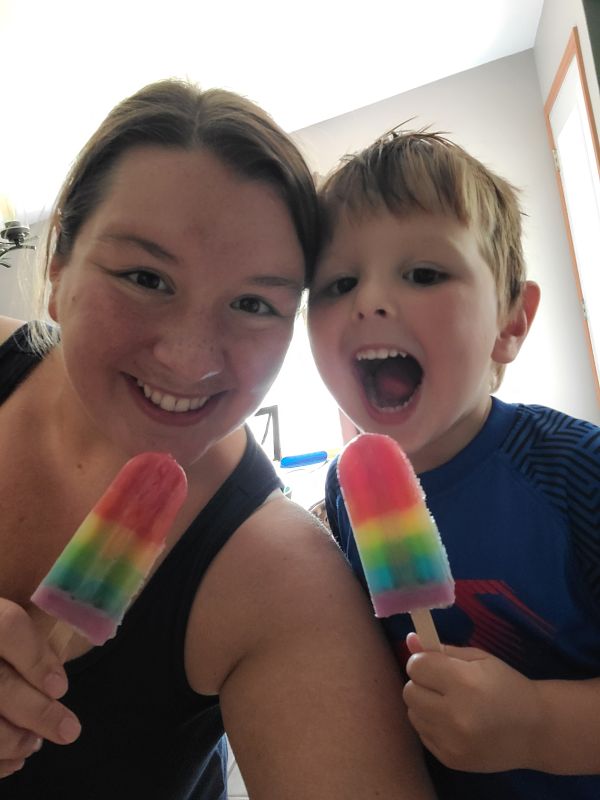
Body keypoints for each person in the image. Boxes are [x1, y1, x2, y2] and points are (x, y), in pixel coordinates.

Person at [0, 83, 436, 799]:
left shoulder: (285, 581)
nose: (190, 358)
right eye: (146, 276)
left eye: (254, 303)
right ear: (58, 270)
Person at [307, 127, 600, 799]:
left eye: (424, 273)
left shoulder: (576, 471)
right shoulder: (346, 495)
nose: (369, 301)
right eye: (338, 282)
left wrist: (538, 725)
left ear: (511, 321)